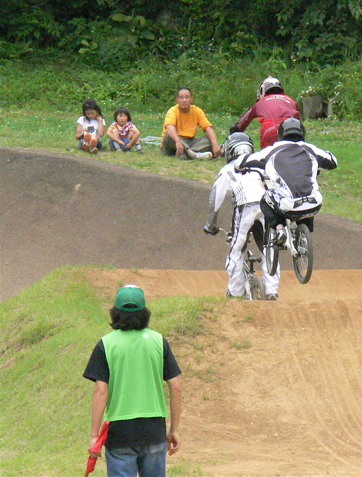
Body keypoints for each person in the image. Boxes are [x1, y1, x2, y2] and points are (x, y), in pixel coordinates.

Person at [83, 285, 182, 476]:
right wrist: (174, 429)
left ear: (115, 313)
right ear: (145, 312)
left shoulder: (106, 344)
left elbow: (101, 391)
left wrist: (95, 436)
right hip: (154, 430)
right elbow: (176, 386)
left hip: (120, 433)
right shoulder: (159, 341)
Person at [235, 117, 337, 246]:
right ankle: (303, 237)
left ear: (280, 134)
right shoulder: (310, 149)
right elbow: (333, 161)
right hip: (315, 204)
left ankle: (279, 228)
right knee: (309, 193)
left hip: (288, 206)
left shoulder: (271, 151)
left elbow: (241, 162)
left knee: (266, 199)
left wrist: (239, 167)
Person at [203, 132, 281, 300]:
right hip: (267, 206)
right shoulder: (260, 165)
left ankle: (235, 290)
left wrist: (211, 223)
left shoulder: (227, 169)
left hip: (245, 206)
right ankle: (272, 290)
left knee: (237, 248)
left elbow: (216, 197)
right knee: (270, 248)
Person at [229, 76, 301, 150]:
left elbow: (240, 125)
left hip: (270, 128)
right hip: (290, 127)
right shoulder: (291, 100)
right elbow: (298, 122)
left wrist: (233, 133)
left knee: (267, 156)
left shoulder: (260, 103)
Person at [161, 87, 221, 160]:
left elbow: (208, 127)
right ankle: (192, 154)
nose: (184, 100)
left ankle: (188, 154)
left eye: (187, 97)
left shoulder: (197, 110)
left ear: (191, 99)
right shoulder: (172, 111)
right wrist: (177, 141)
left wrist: (215, 145)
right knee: (168, 135)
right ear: (177, 100)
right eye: (181, 98)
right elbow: (169, 127)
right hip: (175, 142)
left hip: (190, 142)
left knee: (210, 138)